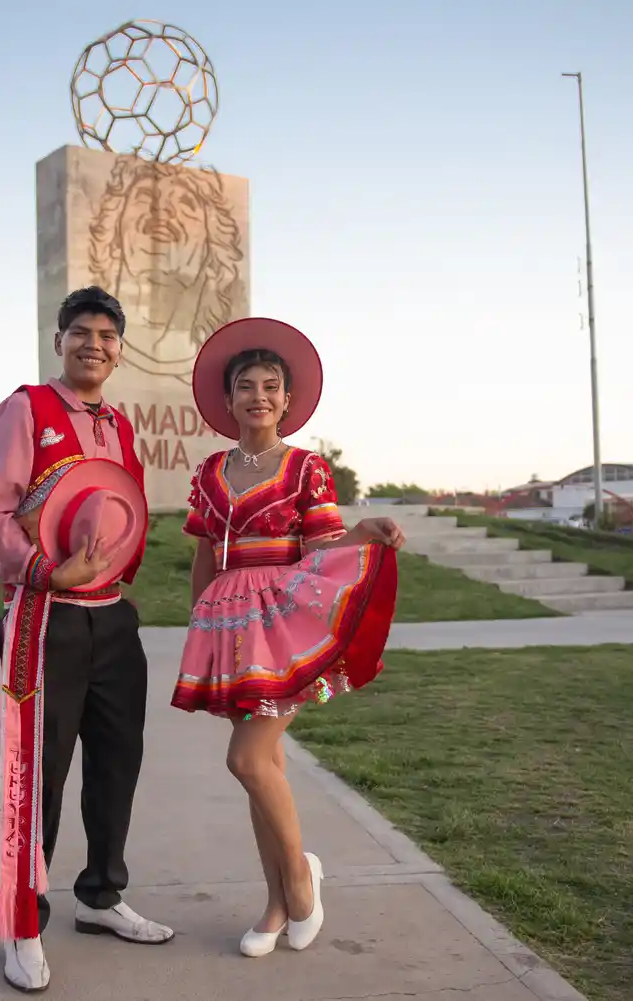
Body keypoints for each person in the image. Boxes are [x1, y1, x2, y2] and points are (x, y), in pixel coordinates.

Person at [171, 317, 405, 959]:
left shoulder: (305, 469)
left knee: (247, 759)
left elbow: (322, 547)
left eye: (270, 386)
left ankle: (302, 879)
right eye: (246, 386)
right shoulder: (211, 471)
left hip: (282, 626)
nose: (259, 396)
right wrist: (199, 625)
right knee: (264, 769)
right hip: (228, 627)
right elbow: (204, 555)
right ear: (227, 399)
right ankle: (275, 903)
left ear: (287, 399)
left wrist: (363, 532)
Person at [0, 286, 174, 994]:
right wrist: (45, 570)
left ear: (120, 350)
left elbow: (124, 511)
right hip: (44, 614)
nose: (95, 344)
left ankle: (101, 896)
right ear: (59, 340)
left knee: (117, 760)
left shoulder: (118, 424)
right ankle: (23, 921)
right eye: (81, 332)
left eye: (107, 335)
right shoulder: (27, 408)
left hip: (111, 615)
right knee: (40, 773)